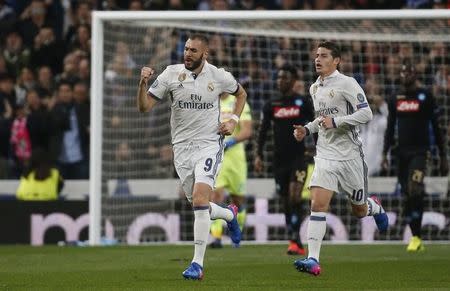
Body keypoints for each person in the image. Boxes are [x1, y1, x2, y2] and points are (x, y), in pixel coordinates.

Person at [137, 34, 247, 280]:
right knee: (199, 204)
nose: (188, 54)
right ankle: (229, 214)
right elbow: (144, 107)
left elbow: (241, 94)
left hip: (209, 144)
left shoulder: (219, 76)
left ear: (204, 54)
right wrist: (142, 83)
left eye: (194, 51)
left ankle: (197, 264)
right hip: (182, 148)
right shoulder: (170, 74)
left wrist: (233, 120)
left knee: (199, 199)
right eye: (186, 49)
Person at [292, 41, 388, 276]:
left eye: (324, 56)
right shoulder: (314, 88)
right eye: (316, 55)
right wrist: (307, 129)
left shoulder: (347, 83)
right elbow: (322, 119)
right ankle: (313, 259)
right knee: (317, 203)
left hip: (350, 157)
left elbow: (366, 113)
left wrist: (336, 122)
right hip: (325, 155)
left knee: (358, 211)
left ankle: (374, 206)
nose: (318, 59)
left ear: (336, 61)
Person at [382, 61, 448, 252]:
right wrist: (384, 153)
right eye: (402, 72)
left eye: (408, 72)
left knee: (414, 188)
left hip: (421, 151)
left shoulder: (425, 96)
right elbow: (389, 127)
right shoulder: (395, 97)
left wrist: (443, 155)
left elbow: (436, 127)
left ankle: (417, 237)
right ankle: (415, 236)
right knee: (408, 195)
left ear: (415, 75)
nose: (405, 75)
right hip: (401, 153)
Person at [254, 64, 315, 255]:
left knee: (295, 195)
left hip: (299, 157)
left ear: (294, 81)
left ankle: (296, 239)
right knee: (286, 201)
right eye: (279, 77)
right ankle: (294, 239)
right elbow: (262, 131)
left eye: (285, 78)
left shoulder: (303, 102)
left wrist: (317, 147)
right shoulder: (271, 105)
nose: (281, 81)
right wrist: (258, 155)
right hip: (279, 159)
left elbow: (314, 125)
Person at [210, 92, 252, 248]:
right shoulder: (211, 102)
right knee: (215, 196)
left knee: (238, 200)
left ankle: (237, 233)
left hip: (236, 159)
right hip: (216, 156)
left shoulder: (238, 103)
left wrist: (231, 141)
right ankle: (216, 237)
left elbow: (247, 131)